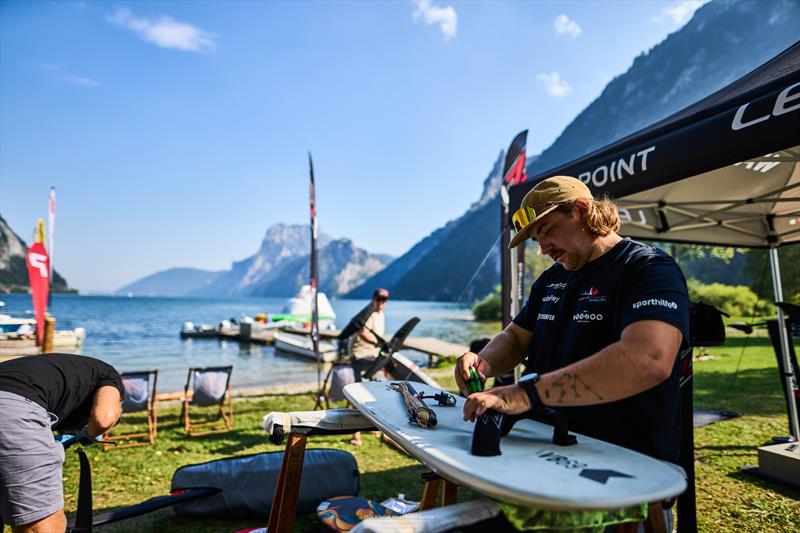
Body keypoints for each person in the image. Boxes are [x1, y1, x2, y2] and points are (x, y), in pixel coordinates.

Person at [456, 175, 690, 528]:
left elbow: (650, 358)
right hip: (546, 455)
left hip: (621, 472)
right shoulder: (552, 279)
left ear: (581, 210)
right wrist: (484, 361)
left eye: (547, 230)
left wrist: (526, 394)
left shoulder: (647, 268)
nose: (543, 247)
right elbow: (518, 338)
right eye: (536, 239)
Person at [0, 353, 123, 533]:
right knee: (41, 525)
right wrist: (86, 435)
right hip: (13, 409)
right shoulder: (110, 376)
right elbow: (104, 418)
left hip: (14, 400)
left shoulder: (65, 369)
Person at [349, 287, 390, 445]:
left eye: (384, 299)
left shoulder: (381, 315)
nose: (381, 302)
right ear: (373, 298)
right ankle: (356, 435)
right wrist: (376, 342)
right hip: (360, 356)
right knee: (359, 395)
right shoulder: (369, 313)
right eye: (379, 298)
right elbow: (363, 332)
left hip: (373, 357)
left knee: (379, 390)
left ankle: (372, 425)